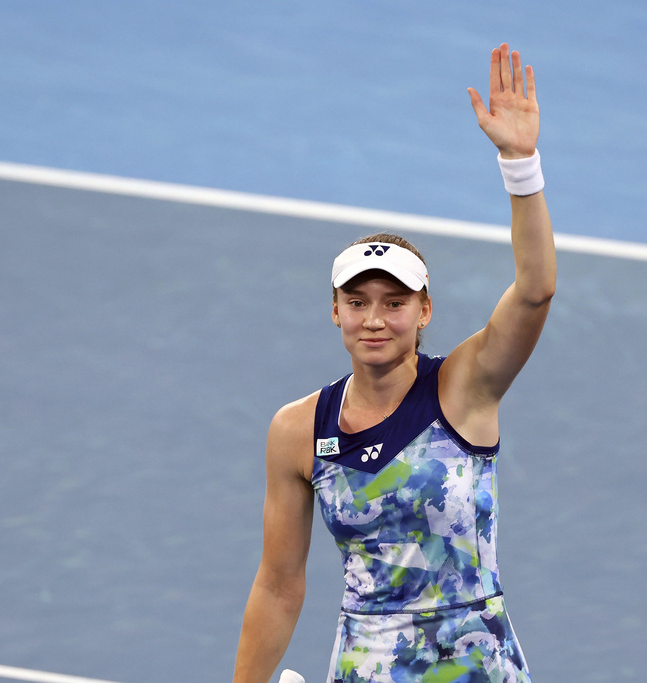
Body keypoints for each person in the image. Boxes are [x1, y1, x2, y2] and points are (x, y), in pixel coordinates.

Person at [233, 43, 556, 683]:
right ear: (335, 311)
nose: (375, 319)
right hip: (367, 666)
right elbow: (277, 585)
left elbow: (535, 290)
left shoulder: (466, 387)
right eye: (357, 302)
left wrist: (520, 164)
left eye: (395, 302)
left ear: (425, 309)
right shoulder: (298, 431)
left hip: (477, 666)